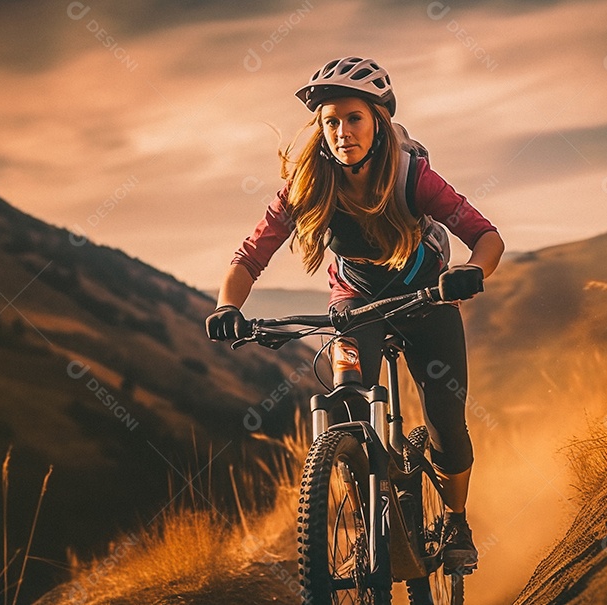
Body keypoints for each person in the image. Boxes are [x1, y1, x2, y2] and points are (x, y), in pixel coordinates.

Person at [205, 56, 504, 569]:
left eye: (354, 118)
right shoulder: (307, 184)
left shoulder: (412, 175)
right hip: (355, 304)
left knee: (446, 422)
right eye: (331, 121)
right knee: (344, 400)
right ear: (319, 130)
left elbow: (486, 236)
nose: (342, 131)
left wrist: (472, 271)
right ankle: (371, 520)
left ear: (378, 121)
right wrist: (228, 305)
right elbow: (248, 257)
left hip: (426, 299)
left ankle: (456, 522)